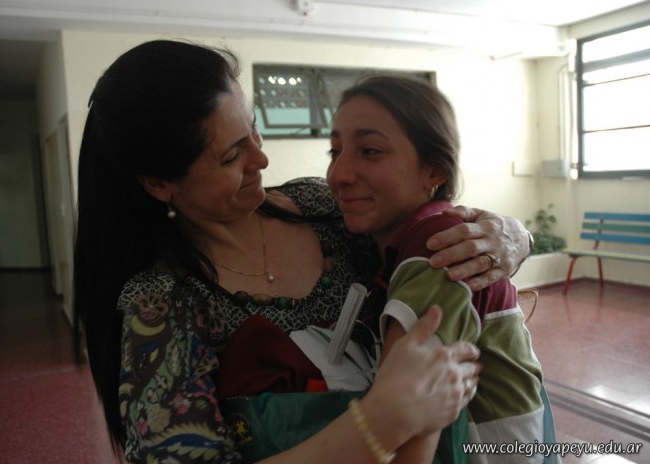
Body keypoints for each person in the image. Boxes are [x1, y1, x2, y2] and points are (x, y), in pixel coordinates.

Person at [74, 40, 533, 463]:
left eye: (254, 130)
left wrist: (512, 236)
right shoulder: (161, 306)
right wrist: (378, 423)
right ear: (160, 184)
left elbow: (426, 231)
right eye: (231, 157)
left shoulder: (322, 208)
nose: (261, 159)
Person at [327, 75, 548, 463]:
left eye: (370, 151)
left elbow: (404, 428)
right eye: (335, 151)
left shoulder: (440, 246)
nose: (339, 174)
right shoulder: (399, 237)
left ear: (434, 171)